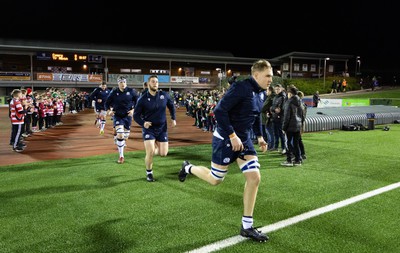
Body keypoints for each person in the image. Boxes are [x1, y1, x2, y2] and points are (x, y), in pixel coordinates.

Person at [178, 59, 272, 242]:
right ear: (256, 75)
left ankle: (246, 227)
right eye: (268, 76)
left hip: (243, 140)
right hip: (225, 139)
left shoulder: (262, 94)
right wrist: (231, 136)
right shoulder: (241, 88)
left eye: (272, 76)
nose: (271, 79)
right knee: (215, 180)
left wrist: (260, 137)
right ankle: (188, 168)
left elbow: (255, 117)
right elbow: (220, 111)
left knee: (254, 178)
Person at [133, 75, 176, 182]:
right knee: (150, 151)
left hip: (162, 128)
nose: (155, 83)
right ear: (148, 84)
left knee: (163, 153)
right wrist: (143, 123)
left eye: (156, 82)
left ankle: (152, 150)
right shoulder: (142, 99)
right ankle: (149, 173)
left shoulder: (164, 95)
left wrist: (173, 118)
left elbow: (171, 106)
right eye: (153, 82)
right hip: (149, 129)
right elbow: (136, 115)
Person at [105, 76, 139, 164]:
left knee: (125, 137)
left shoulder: (131, 91)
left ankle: (118, 138)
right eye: (121, 82)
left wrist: (133, 110)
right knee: (120, 135)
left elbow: (138, 102)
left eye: (124, 82)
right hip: (117, 116)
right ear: (118, 83)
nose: (122, 84)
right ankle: (121, 156)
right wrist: (109, 111)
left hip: (128, 116)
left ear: (126, 83)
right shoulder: (114, 92)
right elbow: (107, 103)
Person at [281, 85, 303, 166]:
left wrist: (284, 128)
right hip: (298, 125)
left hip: (290, 126)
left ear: (290, 93)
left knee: (288, 143)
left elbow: (286, 117)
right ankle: (298, 160)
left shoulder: (289, 102)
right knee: (296, 144)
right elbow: (302, 115)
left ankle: (289, 160)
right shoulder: (300, 102)